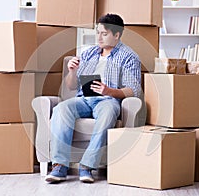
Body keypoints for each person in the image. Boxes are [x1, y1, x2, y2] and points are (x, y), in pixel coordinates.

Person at [45, 13, 141, 183]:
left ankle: (87, 166)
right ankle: (59, 165)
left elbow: (133, 90)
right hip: (84, 99)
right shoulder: (89, 53)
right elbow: (71, 86)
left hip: (108, 101)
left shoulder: (128, 57)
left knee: (108, 113)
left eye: (104, 34)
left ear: (117, 35)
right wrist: (72, 72)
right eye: (98, 32)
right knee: (61, 108)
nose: (99, 37)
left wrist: (109, 91)